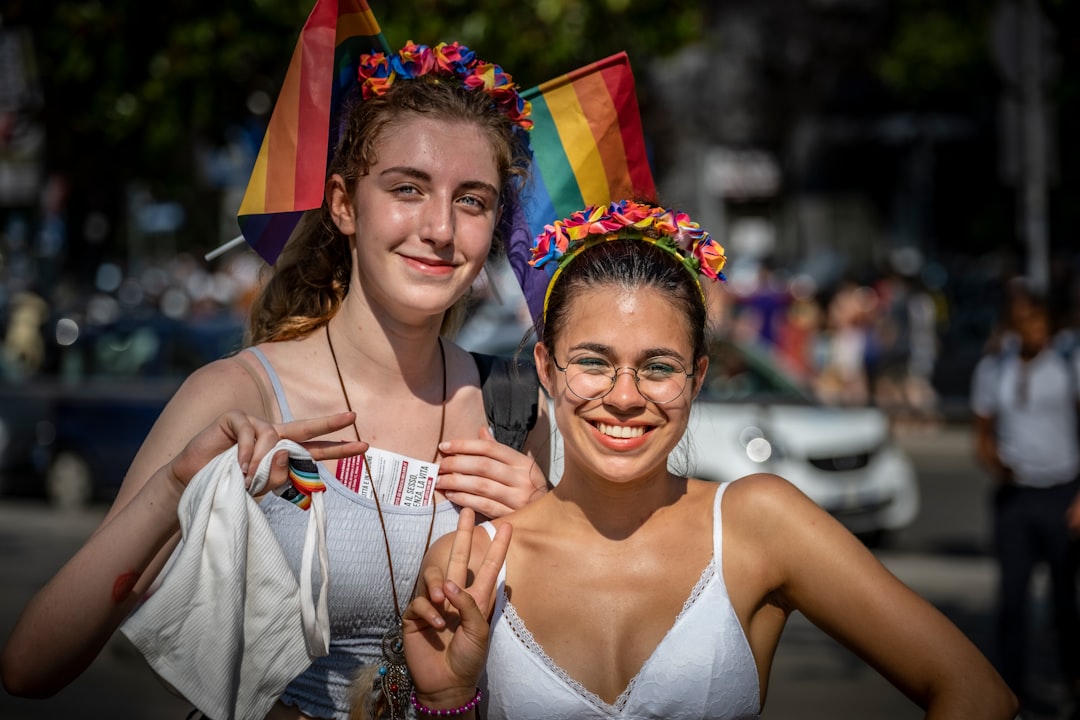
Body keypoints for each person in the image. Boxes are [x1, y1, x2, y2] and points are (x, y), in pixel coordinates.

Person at [0, 40, 550, 720]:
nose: (440, 228)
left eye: (472, 200)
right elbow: (31, 666)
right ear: (345, 205)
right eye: (408, 188)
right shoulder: (239, 395)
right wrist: (176, 490)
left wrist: (554, 526)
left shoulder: (516, 413)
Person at [396, 199, 1018, 719]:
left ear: (696, 380)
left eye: (658, 367)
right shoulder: (474, 561)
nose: (624, 397)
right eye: (592, 361)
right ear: (545, 372)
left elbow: (976, 693)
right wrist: (446, 697)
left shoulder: (757, 522)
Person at [971, 283, 1080, 716]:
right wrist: (998, 463)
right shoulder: (995, 369)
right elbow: (981, 434)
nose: (1032, 330)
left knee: (1063, 599)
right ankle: (1011, 692)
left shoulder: (1069, 364)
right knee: (1012, 600)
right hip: (1016, 497)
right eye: (1023, 321)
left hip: (1062, 493)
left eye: (1038, 320)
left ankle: (1073, 681)